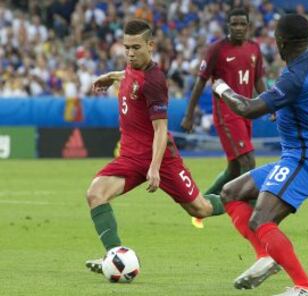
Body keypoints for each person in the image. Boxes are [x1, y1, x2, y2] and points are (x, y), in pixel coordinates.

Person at [211, 14, 308, 296]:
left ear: (281, 43)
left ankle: (307, 287)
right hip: (298, 157)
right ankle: (265, 257)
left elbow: (247, 108)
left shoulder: (293, 79)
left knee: (261, 220)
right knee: (231, 193)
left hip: (307, 160)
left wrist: (221, 88)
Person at [85, 19, 224, 273]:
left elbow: (161, 130)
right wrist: (110, 76)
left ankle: (240, 196)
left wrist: (155, 168)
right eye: (126, 47)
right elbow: (128, 75)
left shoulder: (155, 81)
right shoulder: (130, 68)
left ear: (150, 45)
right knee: (95, 194)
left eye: (136, 47)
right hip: (130, 157)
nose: (129, 53)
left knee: (200, 208)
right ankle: (115, 257)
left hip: (160, 159)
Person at [181, 8, 266, 229]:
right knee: (249, 161)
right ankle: (259, 215)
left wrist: (270, 105)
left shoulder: (254, 49)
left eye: (242, 24)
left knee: (234, 169)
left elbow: (258, 81)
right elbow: (200, 82)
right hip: (227, 114)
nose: (238, 28)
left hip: (247, 112)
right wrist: (189, 114)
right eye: (234, 24)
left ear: (248, 26)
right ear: (228, 26)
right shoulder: (216, 50)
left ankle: (200, 204)